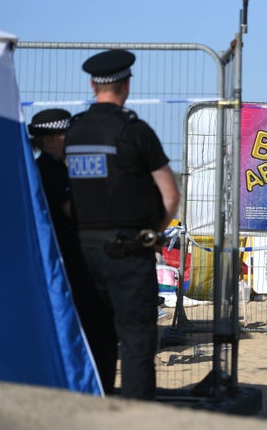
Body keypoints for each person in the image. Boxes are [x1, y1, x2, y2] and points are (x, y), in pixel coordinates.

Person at [65, 49, 180, 400]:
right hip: (128, 253)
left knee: (93, 338)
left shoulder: (73, 132)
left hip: (83, 253)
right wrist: (153, 233)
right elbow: (171, 197)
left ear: (92, 84)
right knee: (136, 340)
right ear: (126, 84)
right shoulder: (136, 133)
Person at [28, 108, 117, 394]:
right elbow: (73, 211)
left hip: (65, 263)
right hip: (73, 264)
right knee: (98, 329)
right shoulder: (51, 172)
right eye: (67, 134)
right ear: (54, 138)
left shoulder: (45, 169)